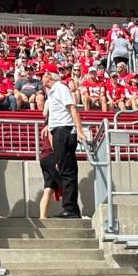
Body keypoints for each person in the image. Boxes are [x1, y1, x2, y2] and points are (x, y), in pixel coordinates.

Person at [43, 70, 87, 219]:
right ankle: (70, 207)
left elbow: (72, 108)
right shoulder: (53, 92)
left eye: (44, 75)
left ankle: (70, 209)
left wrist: (80, 131)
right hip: (59, 132)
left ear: (49, 76)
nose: (42, 78)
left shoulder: (61, 88)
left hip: (64, 131)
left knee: (67, 172)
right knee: (65, 170)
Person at [37, 119, 61, 219]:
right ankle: (72, 211)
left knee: (48, 189)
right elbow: (53, 142)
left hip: (44, 158)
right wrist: (58, 159)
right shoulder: (52, 127)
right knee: (67, 184)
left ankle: (43, 217)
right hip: (51, 156)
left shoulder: (45, 128)